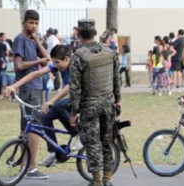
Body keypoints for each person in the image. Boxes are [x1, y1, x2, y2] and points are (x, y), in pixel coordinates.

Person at [4, 44, 82, 167]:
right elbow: (37, 73)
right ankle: (53, 151)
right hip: (75, 98)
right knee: (45, 116)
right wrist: (15, 86)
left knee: (57, 106)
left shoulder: (76, 64)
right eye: (54, 63)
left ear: (66, 59)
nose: (55, 66)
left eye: (57, 62)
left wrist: (51, 101)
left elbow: (71, 86)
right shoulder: (60, 64)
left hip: (87, 98)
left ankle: (78, 134)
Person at [69, 19, 121, 186]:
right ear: (95, 33)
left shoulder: (78, 57)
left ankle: (97, 182)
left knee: (93, 144)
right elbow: (116, 78)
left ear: (79, 34)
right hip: (108, 103)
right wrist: (118, 100)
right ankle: (108, 179)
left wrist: (73, 112)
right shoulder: (109, 52)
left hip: (90, 107)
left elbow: (75, 88)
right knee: (107, 142)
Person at [11, 9, 50, 179]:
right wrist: (38, 62)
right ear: (24, 23)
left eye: (36, 23)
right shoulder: (20, 39)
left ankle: (24, 163)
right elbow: (19, 66)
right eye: (31, 23)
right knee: (34, 127)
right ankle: (32, 167)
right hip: (30, 88)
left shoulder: (32, 40)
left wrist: (36, 39)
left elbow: (47, 58)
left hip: (34, 87)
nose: (34, 26)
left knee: (26, 127)